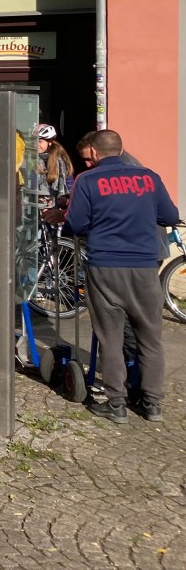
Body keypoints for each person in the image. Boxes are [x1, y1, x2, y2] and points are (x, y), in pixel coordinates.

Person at [54, 129, 178, 424]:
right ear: (121, 149)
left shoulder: (88, 180)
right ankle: (152, 404)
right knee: (151, 338)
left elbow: (76, 223)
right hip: (146, 266)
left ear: (94, 153)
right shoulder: (149, 177)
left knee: (110, 338)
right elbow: (170, 217)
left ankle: (117, 404)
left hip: (105, 266)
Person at [36, 124, 74, 209]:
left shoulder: (61, 160)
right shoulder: (29, 158)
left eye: (40, 141)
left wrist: (64, 199)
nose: (36, 144)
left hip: (57, 206)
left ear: (49, 142)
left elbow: (69, 183)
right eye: (34, 141)